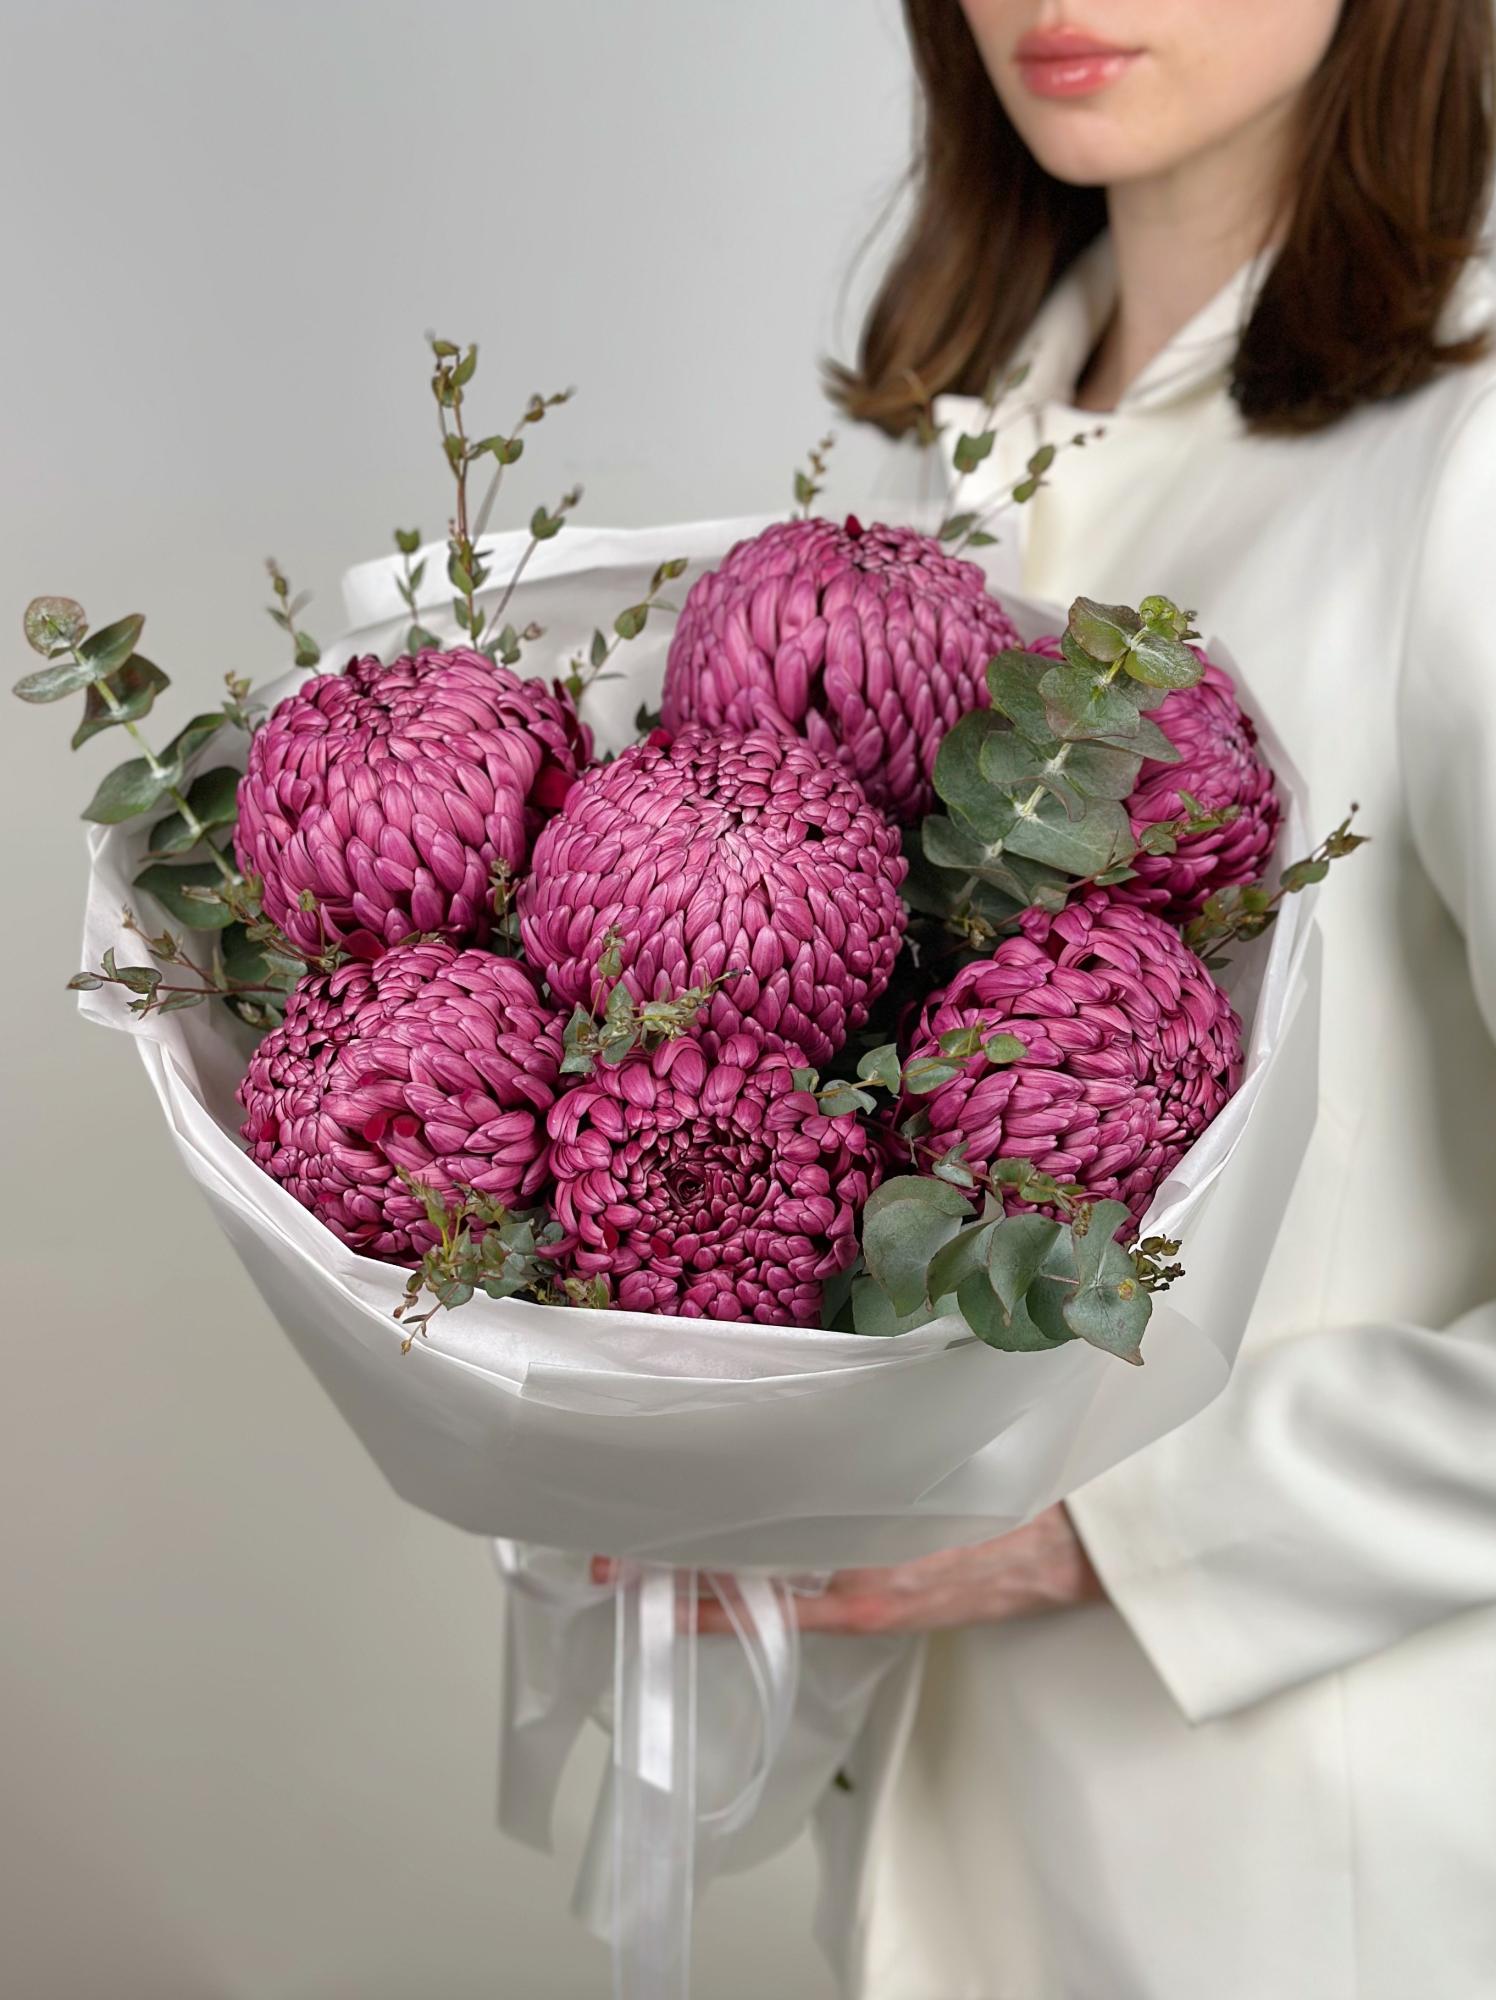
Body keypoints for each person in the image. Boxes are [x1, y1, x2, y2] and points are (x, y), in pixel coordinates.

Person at [706, 3, 1496, 1994]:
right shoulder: (950, 433)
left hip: (1311, 1871)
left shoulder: (1471, 448)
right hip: (938, 1825)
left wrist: (1101, 1529)